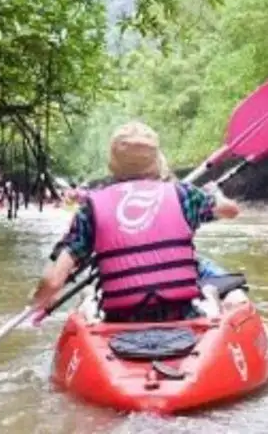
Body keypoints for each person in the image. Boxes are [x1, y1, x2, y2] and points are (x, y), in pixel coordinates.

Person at [29, 121, 240, 323]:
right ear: (156, 159)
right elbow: (230, 211)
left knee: (87, 297)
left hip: (120, 319)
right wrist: (215, 193)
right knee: (226, 292)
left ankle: (88, 302)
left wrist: (41, 299)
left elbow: (53, 281)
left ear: (113, 164)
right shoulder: (184, 195)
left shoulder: (91, 207)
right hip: (180, 316)